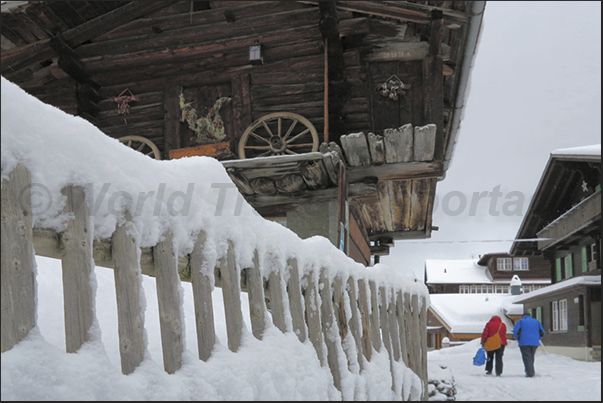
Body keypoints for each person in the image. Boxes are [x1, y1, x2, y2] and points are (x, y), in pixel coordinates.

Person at [513, 312, 545, 377]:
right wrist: (537, 338)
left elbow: (516, 331)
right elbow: (542, 332)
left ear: (523, 316)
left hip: (524, 342)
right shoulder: (536, 321)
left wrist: (518, 339)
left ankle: (530, 373)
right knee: (531, 357)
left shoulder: (521, 321)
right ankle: (531, 370)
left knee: (527, 357)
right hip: (534, 343)